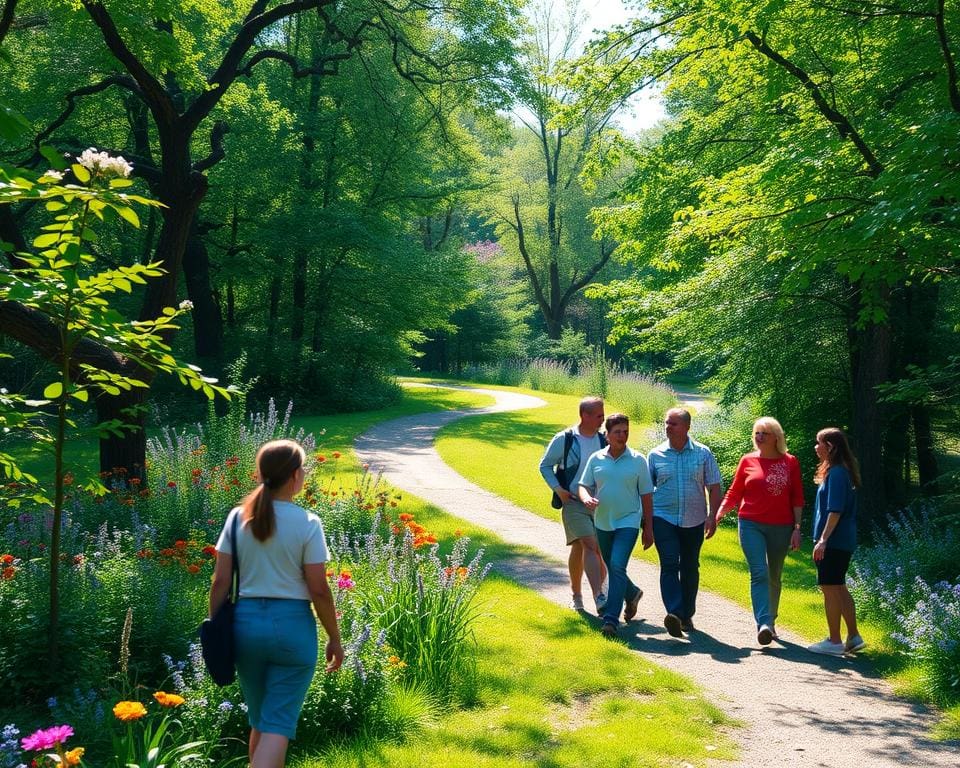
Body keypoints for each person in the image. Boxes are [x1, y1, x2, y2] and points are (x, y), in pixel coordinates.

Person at [209, 439, 344, 768]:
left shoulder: (237, 518)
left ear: (261, 473)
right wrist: (335, 637)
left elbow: (220, 582)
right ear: (296, 475)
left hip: (245, 627)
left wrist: (217, 631)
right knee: (277, 725)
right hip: (291, 630)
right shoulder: (308, 523)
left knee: (262, 721)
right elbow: (320, 590)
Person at [716, 417, 804, 646]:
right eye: (757, 433)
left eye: (764, 433)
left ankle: (771, 622)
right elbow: (735, 492)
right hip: (750, 523)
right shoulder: (747, 460)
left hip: (782, 526)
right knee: (759, 572)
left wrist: (797, 528)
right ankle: (763, 623)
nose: (759, 437)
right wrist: (719, 513)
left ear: (777, 437)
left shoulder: (790, 462)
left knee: (774, 575)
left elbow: (797, 497)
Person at [648, 408, 723, 637]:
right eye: (666, 423)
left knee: (690, 566)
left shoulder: (703, 454)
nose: (668, 427)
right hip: (663, 518)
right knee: (669, 563)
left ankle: (686, 614)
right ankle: (674, 613)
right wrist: (647, 522)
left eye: (673, 424)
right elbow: (646, 491)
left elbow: (714, 486)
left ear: (687, 427)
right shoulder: (655, 455)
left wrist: (712, 516)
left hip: (694, 519)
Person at [579, 413, 655, 637]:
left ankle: (611, 619)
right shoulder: (596, 459)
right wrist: (585, 498)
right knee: (613, 565)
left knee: (617, 565)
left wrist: (648, 528)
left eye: (626, 431)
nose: (623, 436)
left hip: (628, 521)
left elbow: (647, 495)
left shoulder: (638, 460)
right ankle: (632, 594)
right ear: (607, 435)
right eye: (617, 432)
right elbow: (584, 485)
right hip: (602, 521)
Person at [539, 396, 609, 613]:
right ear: (584, 415)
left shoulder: (603, 440)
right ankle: (598, 595)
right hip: (573, 503)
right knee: (591, 545)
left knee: (583, 548)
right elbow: (545, 466)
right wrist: (559, 490)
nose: (603, 419)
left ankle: (578, 595)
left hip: (599, 504)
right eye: (598, 415)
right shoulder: (565, 439)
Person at [807, 427, 865, 656]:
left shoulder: (838, 473)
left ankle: (834, 641)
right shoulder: (840, 471)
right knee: (838, 587)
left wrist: (822, 541)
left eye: (819, 443)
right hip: (841, 541)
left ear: (830, 447)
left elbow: (835, 510)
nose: (816, 447)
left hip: (834, 542)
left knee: (829, 588)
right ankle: (853, 636)